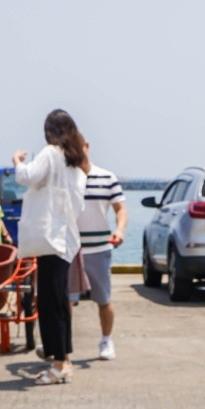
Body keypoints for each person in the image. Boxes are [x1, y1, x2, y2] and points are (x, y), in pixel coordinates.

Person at [13, 110, 87, 385]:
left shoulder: (50, 153)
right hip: (66, 240)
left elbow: (26, 177)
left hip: (49, 241)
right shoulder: (75, 164)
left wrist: (17, 161)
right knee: (60, 303)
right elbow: (78, 204)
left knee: (49, 303)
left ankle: (58, 365)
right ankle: (65, 361)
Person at [76, 146, 127, 360]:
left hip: (99, 248)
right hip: (71, 249)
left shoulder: (107, 177)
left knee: (103, 299)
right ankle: (59, 344)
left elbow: (120, 208)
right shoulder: (66, 178)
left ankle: (106, 340)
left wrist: (120, 230)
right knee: (64, 300)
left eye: (78, 146)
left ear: (86, 147)